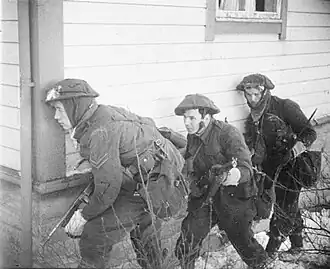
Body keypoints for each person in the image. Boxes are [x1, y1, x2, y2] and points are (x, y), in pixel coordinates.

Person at [45, 78, 187, 269]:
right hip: (155, 180)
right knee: (145, 232)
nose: (56, 116)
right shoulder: (103, 114)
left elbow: (108, 188)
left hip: (150, 185)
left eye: (59, 109)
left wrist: (84, 216)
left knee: (95, 236)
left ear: (75, 107)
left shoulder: (101, 131)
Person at [174, 93, 272, 269]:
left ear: (207, 116)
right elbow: (192, 163)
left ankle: (262, 265)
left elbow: (246, 168)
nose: (186, 123)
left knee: (243, 241)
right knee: (187, 238)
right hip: (206, 196)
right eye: (185, 118)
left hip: (232, 198)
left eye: (192, 118)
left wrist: (233, 176)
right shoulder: (192, 136)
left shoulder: (227, 133)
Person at [237, 74, 317, 260]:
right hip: (273, 170)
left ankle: (270, 252)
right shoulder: (253, 118)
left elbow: (310, 133)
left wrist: (293, 151)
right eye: (249, 95)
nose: (253, 99)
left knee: (283, 210)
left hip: (293, 167)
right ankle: (297, 246)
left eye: (257, 94)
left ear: (265, 92)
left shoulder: (285, 107)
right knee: (288, 206)